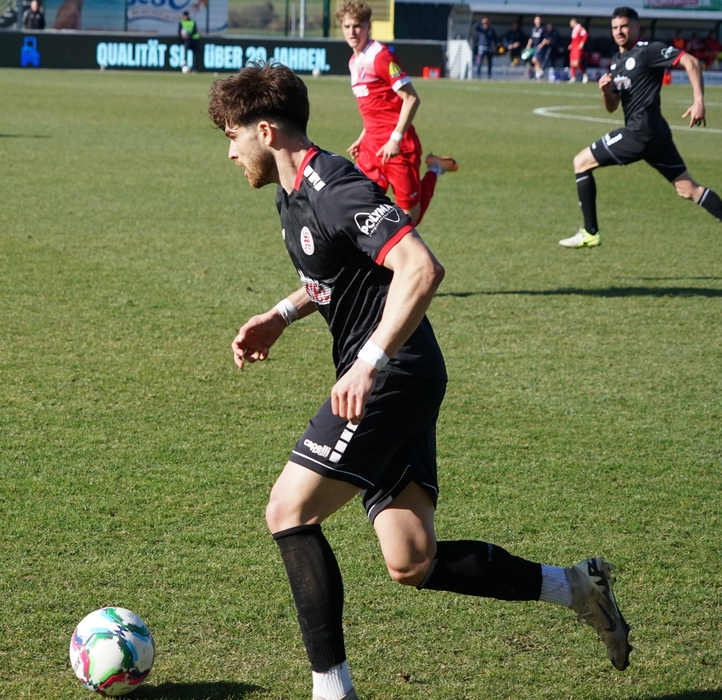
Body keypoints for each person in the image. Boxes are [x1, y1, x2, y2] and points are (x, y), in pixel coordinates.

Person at [207, 60, 632, 700]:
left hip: (393, 372)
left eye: (232, 137)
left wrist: (370, 361)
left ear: (264, 130)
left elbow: (420, 268)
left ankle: (332, 691)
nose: (230, 152)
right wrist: (281, 315)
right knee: (410, 559)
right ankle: (574, 586)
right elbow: (337, 273)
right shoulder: (291, 195)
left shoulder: (334, 185)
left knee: (287, 511)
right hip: (397, 372)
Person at [560, 6, 722, 248]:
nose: (619, 31)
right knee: (688, 189)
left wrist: (699, 101)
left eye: (624, 26)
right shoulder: (616, 62)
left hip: (639, 133)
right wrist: (606, 92)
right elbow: (612, 107)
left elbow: (691, 62)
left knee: (581, 162)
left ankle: (590, 233)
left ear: (636, 28)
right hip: (656, 135)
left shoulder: (649, 50)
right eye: (615, 28)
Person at [338, 0, 457, 228]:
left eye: (357, 26)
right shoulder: (354, 62)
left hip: (399, 146)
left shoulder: (380, 56)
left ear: (368, 26)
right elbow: (376, 107)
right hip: (372, 146)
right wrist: (364, 136)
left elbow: (411, 99)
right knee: (361, 204)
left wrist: (395, 139)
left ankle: (435, 168)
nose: (352, 32)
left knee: (409, 218)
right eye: (347, 26)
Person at [525, 15, 549, 80]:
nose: (537, 21)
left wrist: (542, 44)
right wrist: (528, 45)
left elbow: (545, 38)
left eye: (538, 20)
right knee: (535, 60)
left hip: (539, 47)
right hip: (534, 47)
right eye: (536, 20)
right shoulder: (533, 29)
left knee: (535, 59)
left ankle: (539, 72)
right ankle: (538, 74)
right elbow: (531, 38)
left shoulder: (543, 29)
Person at [568, 18, 588, 82]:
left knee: (576, 63)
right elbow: (574, 39)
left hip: (578, 48)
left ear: (574, 22)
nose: (570, 24)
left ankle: (584, 74)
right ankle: (573, 77)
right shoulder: (574, 29)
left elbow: (585, 35)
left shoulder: (580, 27)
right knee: (572, 63)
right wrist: (571, 44)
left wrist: (582, 43)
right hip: (573, 48)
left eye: (571, 23)